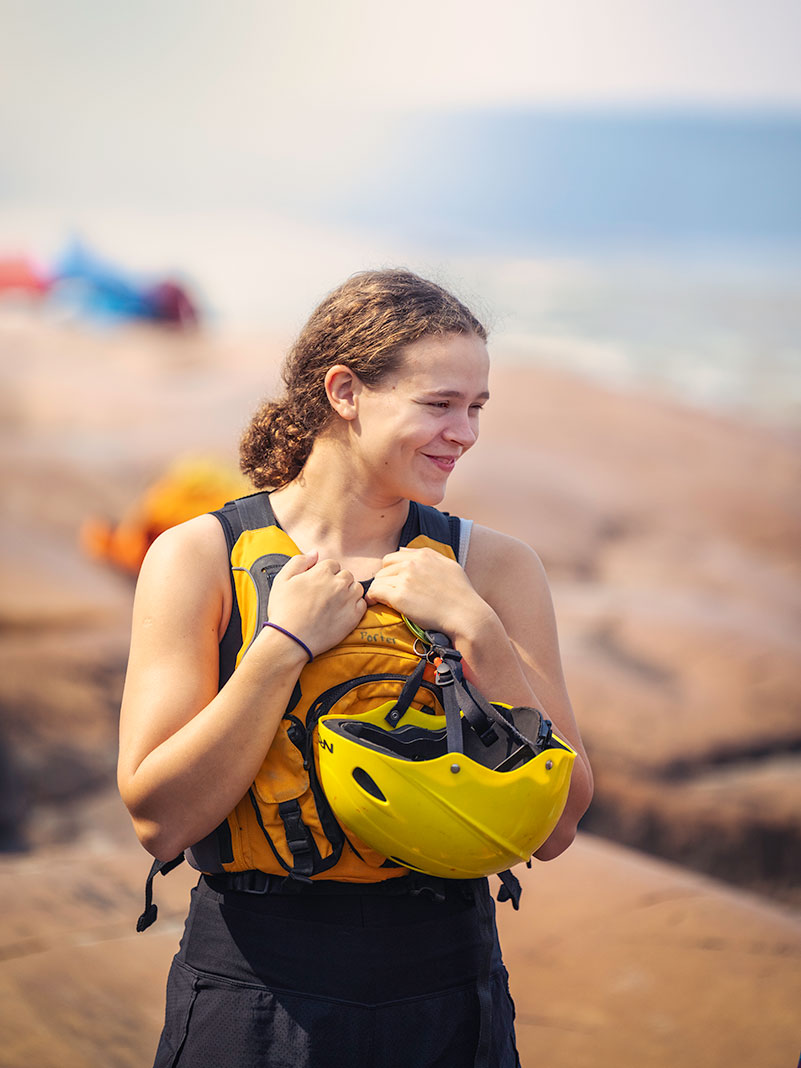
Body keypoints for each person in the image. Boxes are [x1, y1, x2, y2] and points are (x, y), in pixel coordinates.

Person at [118, 269, 593, 1068]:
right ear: (345, 391)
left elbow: (560, 823)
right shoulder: (203, 557)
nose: (465, 432)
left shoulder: (494, 567)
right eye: (439, 404)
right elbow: (160, 819)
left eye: (475, 408)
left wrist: (481, 634)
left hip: (447, 976)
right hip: (254, 984)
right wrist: (281, 649)